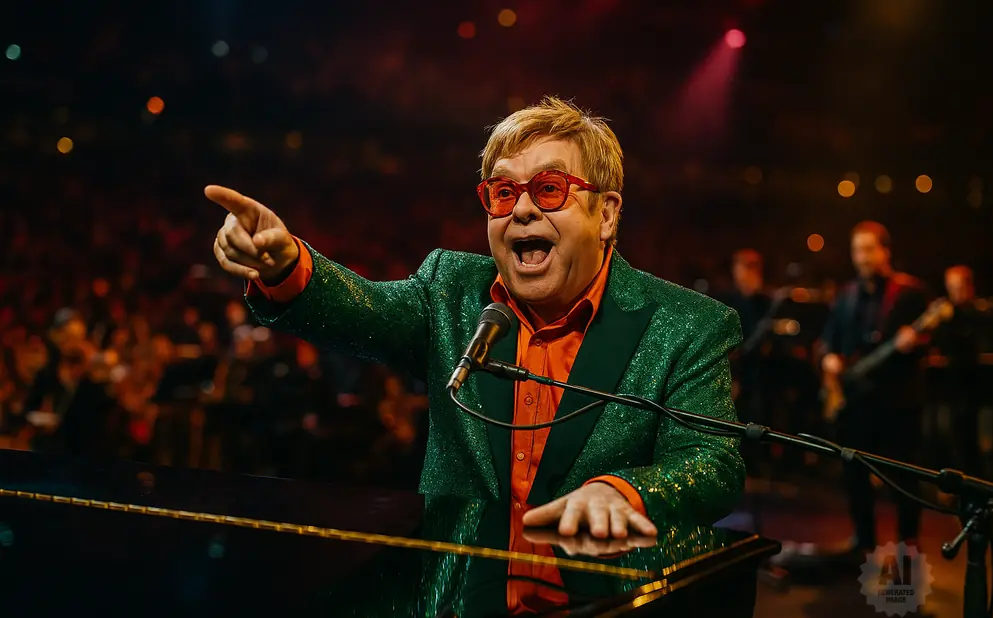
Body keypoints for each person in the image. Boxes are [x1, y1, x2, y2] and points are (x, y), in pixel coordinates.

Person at [206, 97, 745, 612]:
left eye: (550, 188)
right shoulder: (450, 291)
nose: (524, 209)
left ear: (605, 215)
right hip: (455, 607)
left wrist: (623, 492)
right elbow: (358, 310)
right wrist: (282, 266)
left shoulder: (688, 326)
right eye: (504, 194)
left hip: (603, 606)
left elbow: (713, 464)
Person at [820, 221, 929, 552]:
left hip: (897, 402)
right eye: (857, 250)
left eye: (869, 249)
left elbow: (930, 341)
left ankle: (908, 544)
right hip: (857, 403)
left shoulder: (910, 293)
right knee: (854, 474)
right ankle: (863, 541)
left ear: (885, 251)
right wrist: (829, 359)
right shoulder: (846, 295)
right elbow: (828, 340)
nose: (862, 257)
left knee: (904, 478)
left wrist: (915, 342)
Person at [717, 249, 773, 478]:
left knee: (758, 417)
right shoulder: (727, 301)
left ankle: (757, 467)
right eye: (742, 268)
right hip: (735, 372)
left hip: (759, 374)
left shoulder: (765, 302)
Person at [932, 265, 987, 478]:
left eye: (959, 287)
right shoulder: (946, 315)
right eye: (951, 288)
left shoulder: (979, 314)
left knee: (972, 441)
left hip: (976, 391)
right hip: (948, 390)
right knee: (947, 435)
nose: (955, 293)